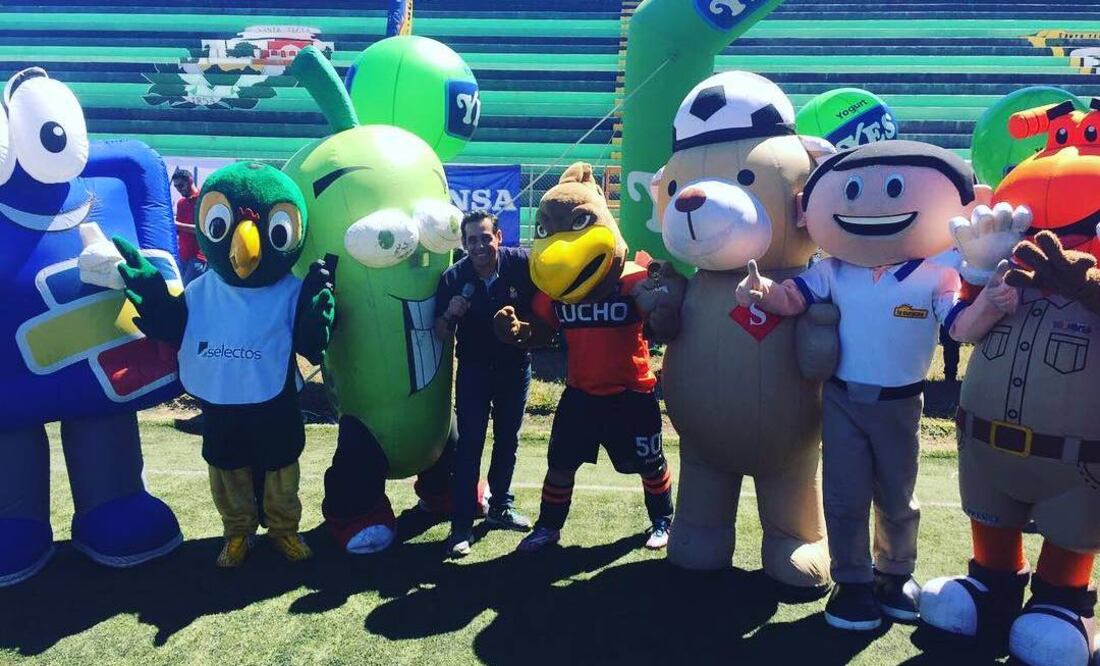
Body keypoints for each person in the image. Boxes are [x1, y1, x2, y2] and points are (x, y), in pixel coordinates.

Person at [737, 141, 993, 631]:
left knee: (898, 495)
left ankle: (894, 575)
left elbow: (960, 327)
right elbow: (792, 300)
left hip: (901, 403)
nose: (874, 207)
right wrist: (762, 292)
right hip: (842, 399)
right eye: (853, 192)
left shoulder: (936, 276)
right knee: (845, 494)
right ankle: (852, 582)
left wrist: (993, 303)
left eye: (894, 191)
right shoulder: (833, 270)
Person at [434, 212, 536, 557]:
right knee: (470, 444)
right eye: (472, 240)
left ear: (499, 236)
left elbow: (546, 306)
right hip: (474, 370)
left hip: (514, 367)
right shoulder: (453, 277)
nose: (479, 245)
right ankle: (462, 524)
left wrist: (529, 327)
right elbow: (441, 332)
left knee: (508, 439)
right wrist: (450, 313)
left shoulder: (521, 264)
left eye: (485, 237)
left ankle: (500, 507)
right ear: (464, 244)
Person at [171, 168, 206, 285]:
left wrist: (177, 225)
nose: (179, 189)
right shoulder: (181, 203)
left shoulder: (203, 199)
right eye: (176, 187)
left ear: (190, 181)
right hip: (183, 256)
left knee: (185, 294)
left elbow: (202, 229)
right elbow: (179, 230)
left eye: (181, 185)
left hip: (198, 257)